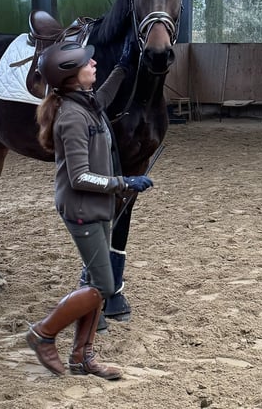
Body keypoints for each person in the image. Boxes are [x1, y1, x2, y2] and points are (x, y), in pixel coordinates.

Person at [25, 39, 154, 379]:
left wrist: (123, 68)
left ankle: (82, 357)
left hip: (97, 206)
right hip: (82, 207)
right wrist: (123, 183)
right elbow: (80, 177)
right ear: (70, 76)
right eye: (88, 63)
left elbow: (104, 97)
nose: (94, 64)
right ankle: (43, 333)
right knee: (103, 287)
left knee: (96, 281)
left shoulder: (84, 103)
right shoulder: (71, 118)